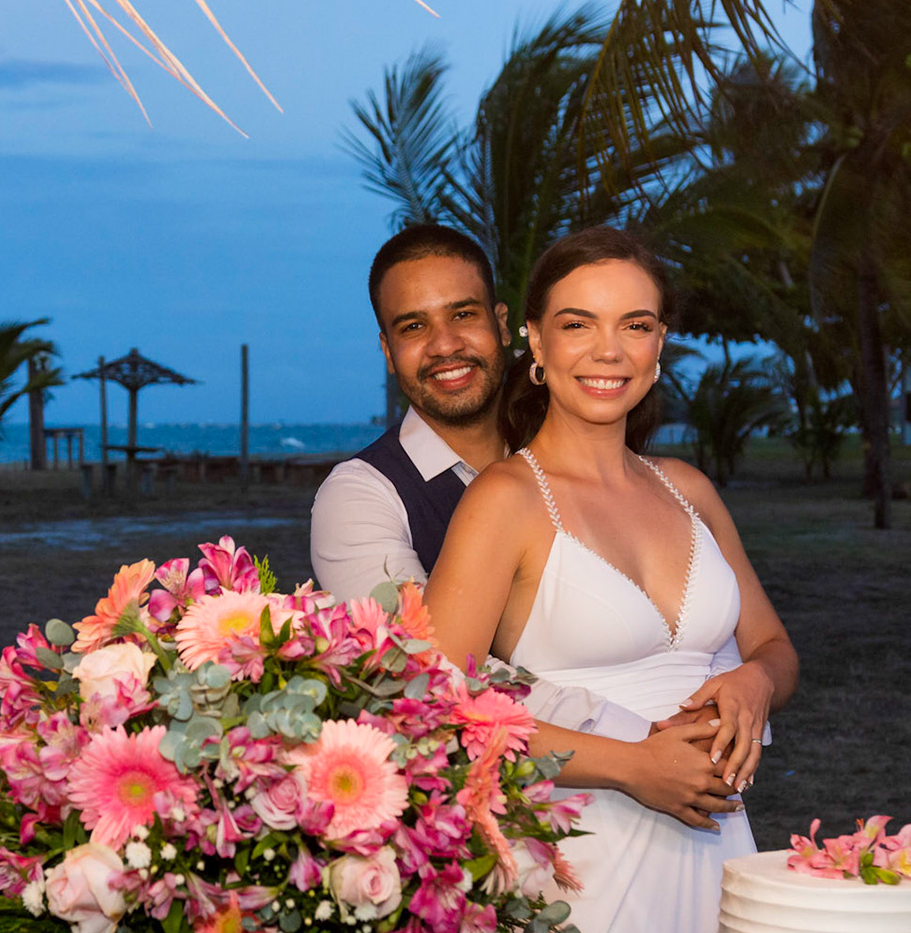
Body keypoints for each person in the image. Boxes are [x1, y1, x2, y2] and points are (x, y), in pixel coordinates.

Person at [425, 226, 799, 933]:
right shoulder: (505, 501)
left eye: (635, 324)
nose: (609, 350)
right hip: (583, 867)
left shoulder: (688, 489)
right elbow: (432, 713)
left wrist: (753, 682)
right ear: (531, 339)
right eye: (577, 323)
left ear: (659, 343)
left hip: (718, 847)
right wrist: (631, 765)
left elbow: (773, 645)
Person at [310, 224, 731, 742]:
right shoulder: (361, 496)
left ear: (505, 325)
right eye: (413, 327)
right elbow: (419, 678)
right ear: (387, 349)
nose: (446, 345)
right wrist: (642, 734)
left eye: (463, 314)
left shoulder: (576, 454)